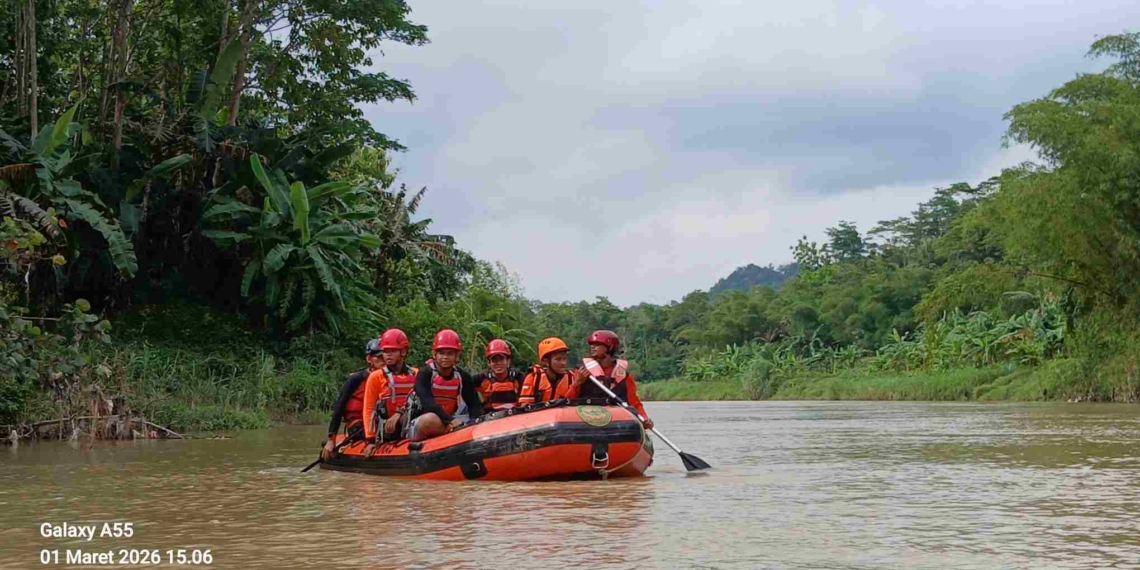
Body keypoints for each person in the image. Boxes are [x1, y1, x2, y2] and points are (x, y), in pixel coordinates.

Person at [563, 330, 654, 430]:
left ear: (610, 347)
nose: (592, 347)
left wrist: (644, 418)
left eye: (597, 344)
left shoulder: (624, 376)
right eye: (591, 344)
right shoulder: (582, 372)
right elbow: (567, 402)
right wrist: (577, 383)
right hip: (588, 421)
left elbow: (635, 403)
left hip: (616, 424)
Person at [405, 329, 483, 441]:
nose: (445, 357)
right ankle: (454, 434)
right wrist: (451, 421)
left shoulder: (463, 376)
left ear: (457, 356)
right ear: (434, 354)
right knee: (430, 420)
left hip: (449, 419)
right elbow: (428, 403)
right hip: (422, 421)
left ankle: (455, 434)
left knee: (477, 419)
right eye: (441, 353)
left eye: (450, 353)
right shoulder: (425, 373)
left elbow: (474, 404)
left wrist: (477, 422)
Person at [322, 338, 384, 460]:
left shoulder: (392, 378)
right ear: (369, 359)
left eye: (385, 356)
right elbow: (339, 407)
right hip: (358, 425)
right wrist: (331, 439)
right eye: (379, 357)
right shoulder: (356, 379)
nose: (383, 361)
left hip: (381, 422)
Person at [361, 329, 418, 457]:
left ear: (403, 352)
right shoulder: (376, 377)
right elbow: (368, 409)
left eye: (392, 351)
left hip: (412, 422)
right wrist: (369, 440)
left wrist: (399, 413)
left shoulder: (416, 374)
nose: (387, 355)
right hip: (388, 428)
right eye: (385, 351)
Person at [475, 339, 525, 413]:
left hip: (515, 416)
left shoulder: (518, 377)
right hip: (490, 418)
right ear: (489, 363)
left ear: (508, 361)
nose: (498, 363)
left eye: (501, 359)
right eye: (494, 360)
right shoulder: (481, 378)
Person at [519, 337, 572, 405]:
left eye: (564, 359)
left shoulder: (572, 378)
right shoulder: (533, 378)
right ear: (545, 361)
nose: (563, 363)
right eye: (558, 359)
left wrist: (576, 385)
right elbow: (525, 406)